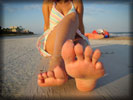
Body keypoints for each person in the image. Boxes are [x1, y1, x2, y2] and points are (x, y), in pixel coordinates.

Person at [37, 0, 105, 92]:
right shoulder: (48, 3)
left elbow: (80, 28)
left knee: (81, 43)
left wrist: (81, 41)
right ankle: (57, 61)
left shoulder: (77, 2)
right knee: (72, 16)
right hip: (54, 41)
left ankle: (83, 75)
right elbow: (46, 26)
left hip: (73, 39)